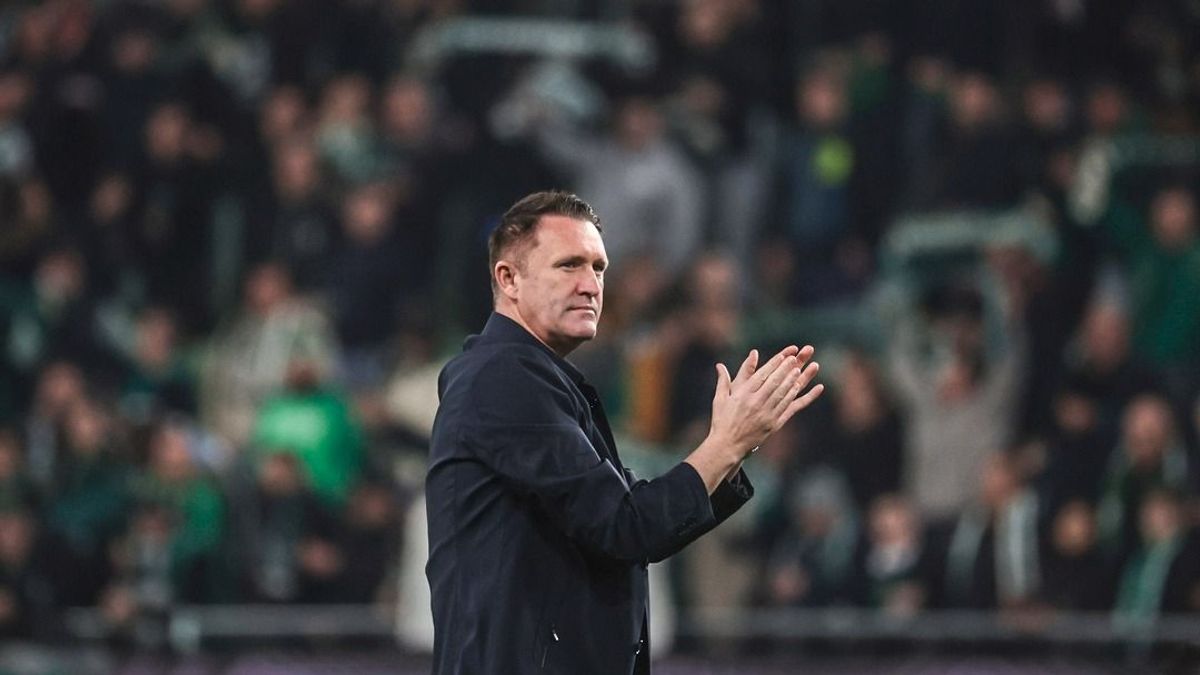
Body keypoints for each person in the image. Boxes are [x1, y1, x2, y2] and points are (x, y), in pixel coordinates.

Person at [425, 191, 824, 675]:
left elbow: (635, 521)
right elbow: (626, 526)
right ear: (508, 278)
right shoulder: (503, 378)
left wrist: (732, 445)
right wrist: (728, 443)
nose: (591, 285)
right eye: (569, 265)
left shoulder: (530, 380)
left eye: (598, 268)